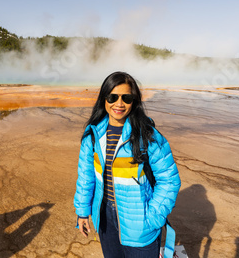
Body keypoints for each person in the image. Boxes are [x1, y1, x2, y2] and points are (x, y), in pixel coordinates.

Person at [74, 71, 181, 258]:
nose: (119, 104)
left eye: (127, 98)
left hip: (140, 224)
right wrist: (83, 212)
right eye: (113, 97)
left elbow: (169, 181)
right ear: (104, 99)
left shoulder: (148, 136)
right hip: (105, 219)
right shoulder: (93, 136)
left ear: (135, 101)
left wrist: (152, 218)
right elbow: (86, 176)